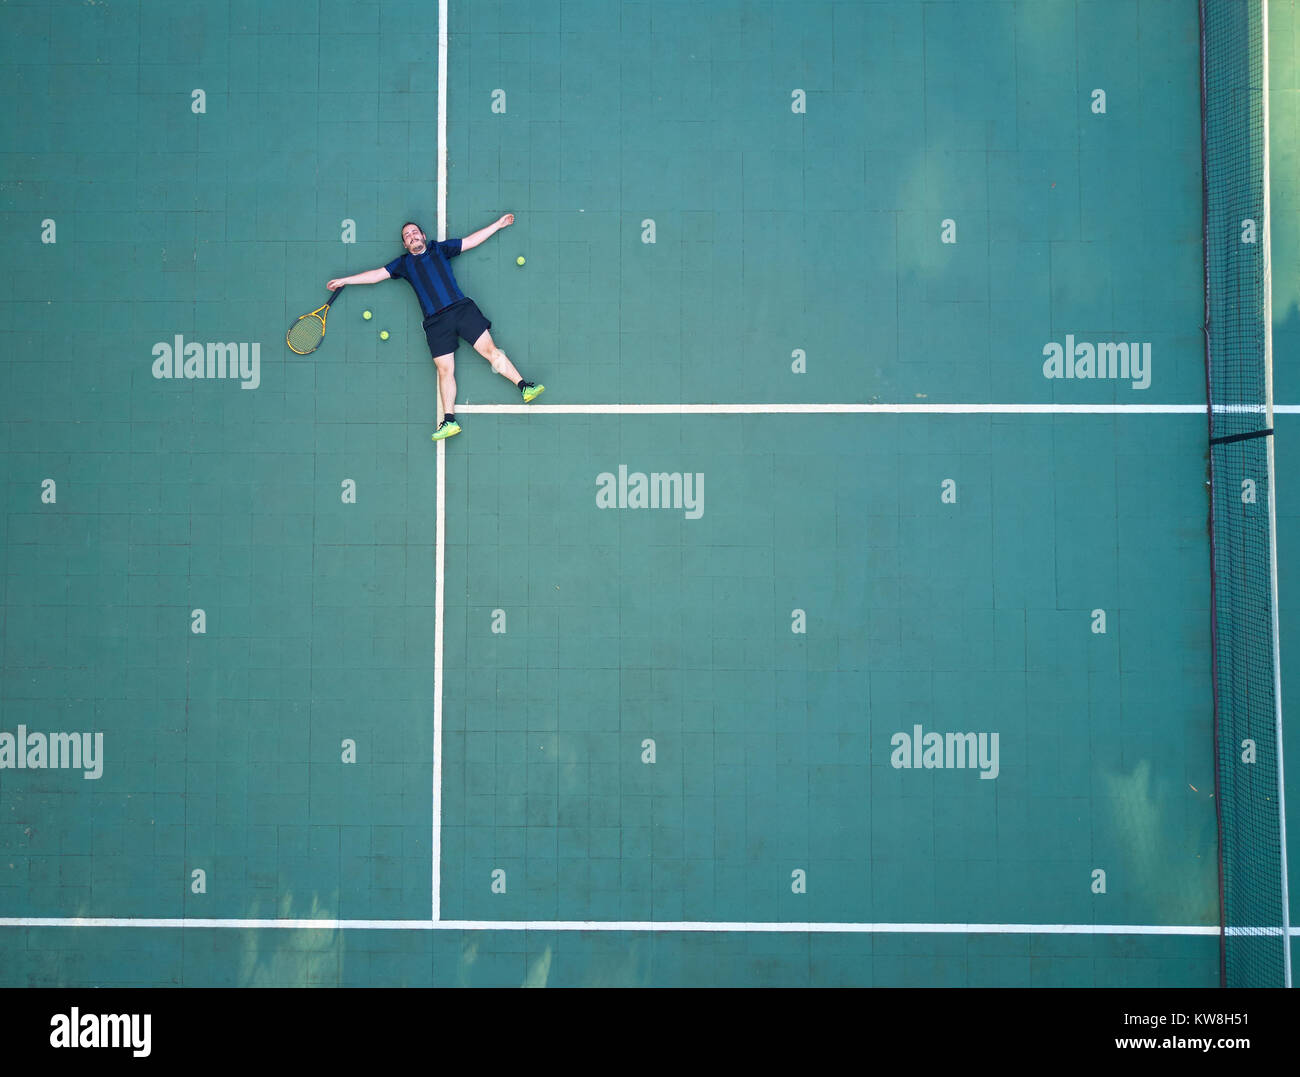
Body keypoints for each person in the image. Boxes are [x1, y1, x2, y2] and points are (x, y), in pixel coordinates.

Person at [326, 215, 543, 441]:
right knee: (444, 370)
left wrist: (498, 224)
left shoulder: (440, 249)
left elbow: (471, 241)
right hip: (435, 323)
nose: (411, 237)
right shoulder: (403, 265)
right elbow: (375, 276)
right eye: (407, 236)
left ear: (423, 236)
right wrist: (345, 280)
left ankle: (524, 386)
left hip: (461, 310)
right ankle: (449, 421)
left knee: (491, 351)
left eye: (414, 232)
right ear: (405, 244)